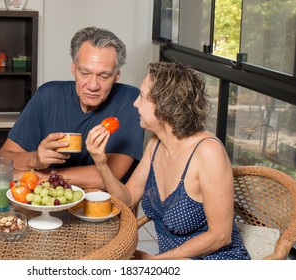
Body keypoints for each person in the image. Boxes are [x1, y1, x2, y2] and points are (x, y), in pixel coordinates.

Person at [86, 61, 250, 260]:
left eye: (142, 97)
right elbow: (127, 198)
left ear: (165, 107)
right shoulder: (156, 144)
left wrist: (155, 261)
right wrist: (101, 162)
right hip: (172, 262)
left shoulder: (208, 152)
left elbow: (220, 237)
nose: (135, 103)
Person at [0, 27, 144, 189]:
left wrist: (42, 176)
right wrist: (35, 159)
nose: (93, 85)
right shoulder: (48, 96)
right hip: (50, 203)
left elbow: (110, 175)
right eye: (85, 73)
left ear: (116, 76)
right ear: (73, 69)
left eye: (104, 76)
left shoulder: (132, 101)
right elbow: (3, 158)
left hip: (104, 207)